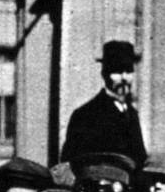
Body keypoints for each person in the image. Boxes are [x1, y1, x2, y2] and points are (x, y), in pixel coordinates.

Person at [60, 40, 148, 168]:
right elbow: (70, 163)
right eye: (117, 72)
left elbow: (140, 159)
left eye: (128, 71)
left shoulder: (132, 113)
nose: (124, 78)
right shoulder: (85, 115)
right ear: (104, 74)